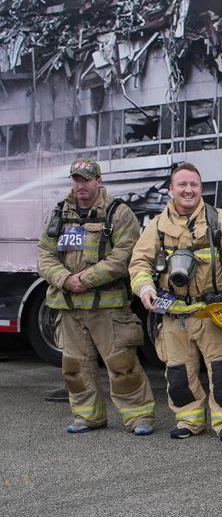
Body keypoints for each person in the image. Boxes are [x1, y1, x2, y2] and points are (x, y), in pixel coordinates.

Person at [129, 162, 222, 440]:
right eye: (182, 185)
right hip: (173, 313)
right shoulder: (157, 227)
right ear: (171, 189)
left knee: (221, 371)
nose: (188, 190)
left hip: (211, 311)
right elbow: (138, 263)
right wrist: (145, 288)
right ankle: (188, 421)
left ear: (201, 188)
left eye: (194, 185)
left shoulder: (219, 220)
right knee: (178, 373)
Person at [36, 158, 155, 435]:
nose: (80, 185)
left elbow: (126, 253)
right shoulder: (58, 213)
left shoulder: (118, 212)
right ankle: (88, 416)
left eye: (86, 179)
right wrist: (65, 279)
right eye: (76, 179)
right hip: (67, 305)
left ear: (98, 180)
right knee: (74, 368)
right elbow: (44, 254)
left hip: (108, 307)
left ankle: (139, 417)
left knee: (122, 365)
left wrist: (85, 279)